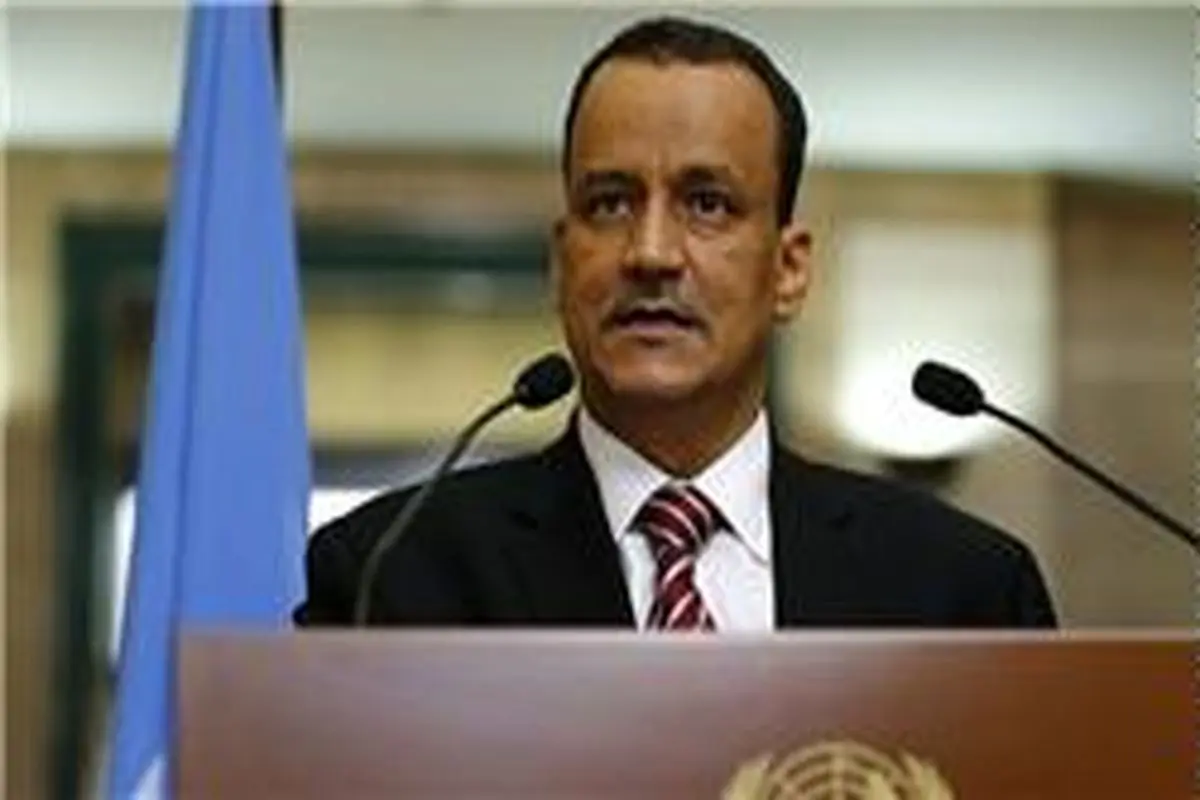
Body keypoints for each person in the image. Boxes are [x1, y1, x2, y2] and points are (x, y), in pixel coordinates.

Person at [293, 15, 1057, 630]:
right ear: (561, 263)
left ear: (788, 270)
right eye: (610, 203)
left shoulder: (960, 589)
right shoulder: (391, 576)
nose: (651, 253)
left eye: (707, 204)